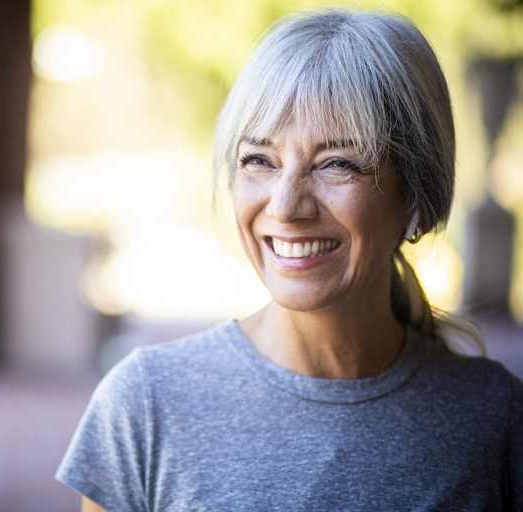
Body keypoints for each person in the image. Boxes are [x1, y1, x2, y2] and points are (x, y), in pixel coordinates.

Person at [56, 9, 523, 511]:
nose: (285, 206)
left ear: (415, 196)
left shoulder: (496, 421)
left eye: (336, 164)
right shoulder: (143, 405)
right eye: (259, 161)